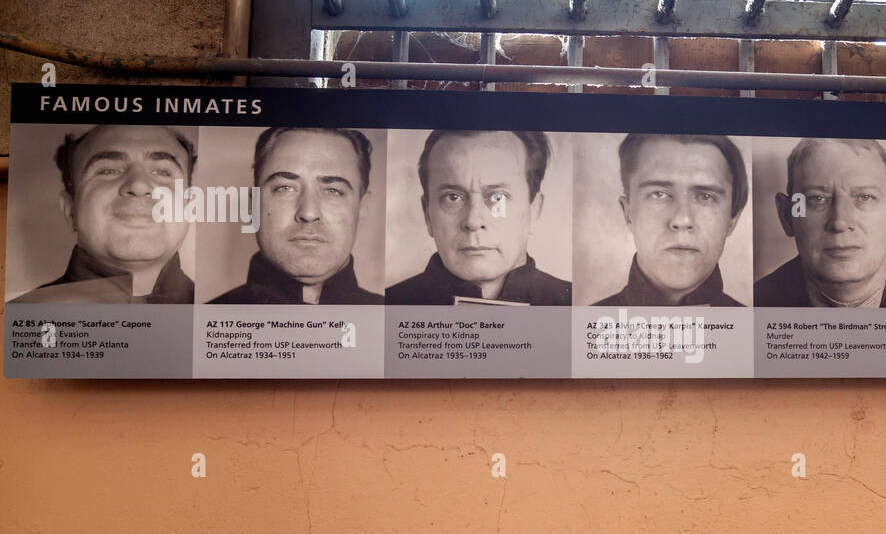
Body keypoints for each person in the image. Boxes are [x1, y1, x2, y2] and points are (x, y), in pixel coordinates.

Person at [12, 125, 196, 303]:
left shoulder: (220, 314)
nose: (138, 185)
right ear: (70, 210)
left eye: (163, 172)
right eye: (108, 170)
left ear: (190, 208)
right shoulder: (12, 321)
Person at [386, 130, 570, 305]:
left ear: (534, 210)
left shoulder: (572, 307)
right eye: (453, 197)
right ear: (427, 215)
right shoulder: (387, 304)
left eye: (498, 197)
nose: (473, 222)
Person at [209, 127, 382, 304]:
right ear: (253, 205)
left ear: (362, 207)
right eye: (285, 188)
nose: (308, 213)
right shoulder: (203, 321)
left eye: (333, 191)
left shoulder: (388, 317)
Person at [755, 138, 886, 307]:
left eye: (865, 197)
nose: (839, 223)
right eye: (817, 198)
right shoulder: (755, 302)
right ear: (787, 215)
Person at [595, 133, 748, 307]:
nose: (682, 220)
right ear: (628, 213)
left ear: (733, 219)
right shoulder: (583, 326)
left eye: (706, 197)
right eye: (659, 194)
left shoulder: (753, 328)